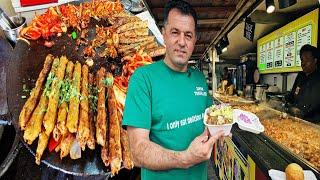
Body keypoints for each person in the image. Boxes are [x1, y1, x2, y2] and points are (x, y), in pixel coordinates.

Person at [122, 1, 225, 179]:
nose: (182, 42)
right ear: (164, 34)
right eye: (175, 33)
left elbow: (210, 122)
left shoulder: (200, 79)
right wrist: (185, 158)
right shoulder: (143, 78)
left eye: (188, 35)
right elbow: (137, 152)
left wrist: (222, 128)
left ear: (195, 40)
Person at [285, 44, 320, 124]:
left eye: (307, 59)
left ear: (315, 60)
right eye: (302, 60)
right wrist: (287, 104)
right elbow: (292, 96)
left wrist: (303, 113)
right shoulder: (300, 76)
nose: (303, 63)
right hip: (295, 121)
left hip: (313, 125)